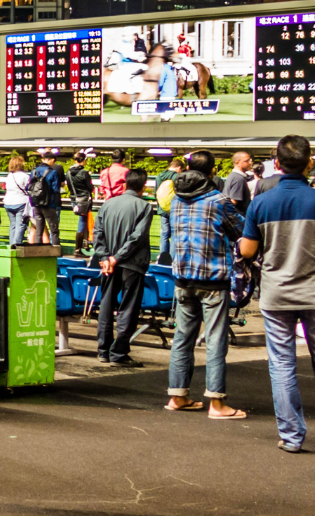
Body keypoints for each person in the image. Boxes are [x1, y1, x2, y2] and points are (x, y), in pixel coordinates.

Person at [241, 135, 315, 454]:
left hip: (277, 295)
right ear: (309, 164)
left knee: (282, 364)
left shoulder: (261, 203)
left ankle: (292, 437)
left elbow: (248, 249)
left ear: (276, 164)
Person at [166, 151, 246, 418]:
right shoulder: (219, 201)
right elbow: (241, 233)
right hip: (213, 280)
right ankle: (217, 402)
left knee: (182, 338)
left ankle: (177, 396)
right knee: (214, 340)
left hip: (182, 278)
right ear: (212, 172)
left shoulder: (175, 200)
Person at [93, 169, 154, 366]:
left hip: (109, 263)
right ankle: (118, 353)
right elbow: (137, 237)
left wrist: (105, 258)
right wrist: (117, 258)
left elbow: (98, 232)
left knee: (106, 305)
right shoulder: (144, 207)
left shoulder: (108, 204)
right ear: (144, 186)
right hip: (131, 264)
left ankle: (103, 350)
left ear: (125, 184)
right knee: (128, 308)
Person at [155, 158, 183, 266]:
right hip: (175, 209)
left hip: (163, 208)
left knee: (164, 234)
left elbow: (155, 193)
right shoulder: (177, 177)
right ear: (179, 168)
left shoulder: (159, 176)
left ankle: (162, 258)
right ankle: (171, 259)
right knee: (175, 234)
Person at [65, 152, 94, 256]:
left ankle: (81, 246)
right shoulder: (84, 172)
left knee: (83, 221)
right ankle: (79, 248)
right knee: (83, 221)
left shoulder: (68, 172)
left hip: (74, 199)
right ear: (83, 160)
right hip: (84, 199)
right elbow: (90, 187)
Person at [2, 155, 33, 246]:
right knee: (21, 225)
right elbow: (29, 189)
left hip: (8, 202)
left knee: (13, 225)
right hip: (21, 202)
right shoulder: (25, 176)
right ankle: (16, 245)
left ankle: (11, 243)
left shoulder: (9, 176)